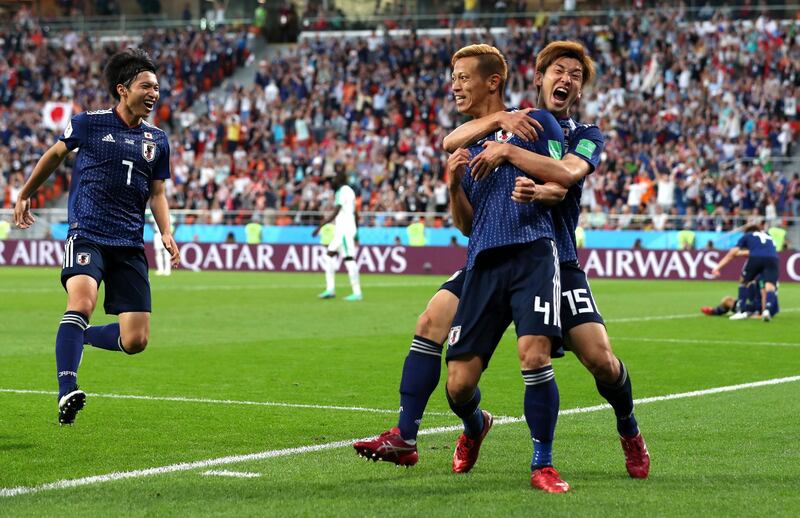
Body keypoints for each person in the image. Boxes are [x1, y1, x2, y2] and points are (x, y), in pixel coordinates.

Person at [354, 40, 650, 484]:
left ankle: (626, 428)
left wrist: (520, 164)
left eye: (575, 74)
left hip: (551, 254)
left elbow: (562, 181)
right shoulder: (496, 130)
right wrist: (458, 181)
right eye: (558, 71)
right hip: (489, 251)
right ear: (539, 77)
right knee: (436, 332)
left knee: (600, 361)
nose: (565, 79)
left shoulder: (577, 133)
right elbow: (459, 173)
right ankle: (434, 430)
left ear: (581, 88)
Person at [13, 49, 180, 425]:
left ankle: (82, 337)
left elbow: (157, 193)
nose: (154, 93)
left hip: (130, 245)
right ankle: (66, 390)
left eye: (157, 87)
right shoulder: (89, 123)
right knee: (82, 303)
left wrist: (166, 231)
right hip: (88, 234)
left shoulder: (157, 139)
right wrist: (25, 193)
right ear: (123, 89)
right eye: (146, 86)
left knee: (135, 341)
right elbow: (55, 155)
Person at [712, 223, 780, 321]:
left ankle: (741, 311)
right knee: (770, 286)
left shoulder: (748, 236)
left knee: (743, 282)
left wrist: (717, 267)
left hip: (757, 259)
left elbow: (732, 253)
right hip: (774, 259)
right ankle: (767, 311)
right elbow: (763, 250)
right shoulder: (768, 237)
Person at [312, 170, 362, 301]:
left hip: (344, 230)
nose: (332, 182)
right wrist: (357, 232)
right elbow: (355, 213)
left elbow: (336, 211)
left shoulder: (342, 191)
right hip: (343, 230)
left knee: (349, 259)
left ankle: (357, 292)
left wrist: (320, 226)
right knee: (328, 256)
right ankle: (330, 289)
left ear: (339, 180)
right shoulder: (350, 191)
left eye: (334, 179)